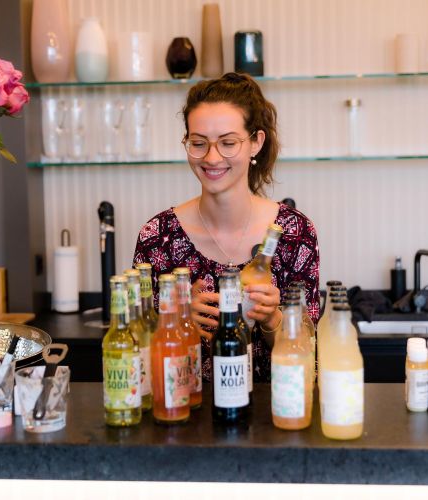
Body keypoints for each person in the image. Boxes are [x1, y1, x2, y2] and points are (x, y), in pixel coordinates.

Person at [133, 72, 320, 382]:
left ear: (256, 143)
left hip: (274, 409)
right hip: (186, 408)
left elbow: (308, 355)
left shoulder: (294, 233)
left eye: (228, 143)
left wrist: (273, 319)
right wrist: (179, 325)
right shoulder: (157, 237)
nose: (212, 157)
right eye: (198, 143)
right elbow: (136, 358)